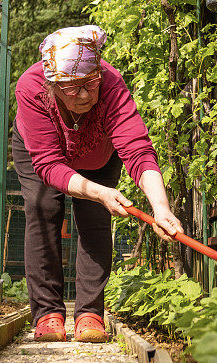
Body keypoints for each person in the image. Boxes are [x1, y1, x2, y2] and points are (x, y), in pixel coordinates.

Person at [13, 25, 183, 343]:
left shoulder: (111, 84)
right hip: (42, 154)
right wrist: (97, 191)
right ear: (52, 86)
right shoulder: (31, 87)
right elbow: (49, 164)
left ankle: (90, 314)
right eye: (71, 88)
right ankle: (48, 313)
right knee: (42, 208)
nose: (84, 95)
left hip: (99, 154)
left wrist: (160, 206)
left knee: (94, 219)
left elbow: (138, 150)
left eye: (90, 83)